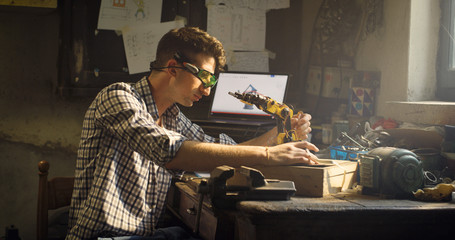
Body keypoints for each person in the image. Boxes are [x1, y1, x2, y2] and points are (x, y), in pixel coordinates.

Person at [66, 26, 319, 240]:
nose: (207, 91)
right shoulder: (118, 97)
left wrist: (279, 132)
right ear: (173, 68)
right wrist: (268, 155)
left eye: (212, 82)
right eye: (205, 79)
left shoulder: (173, 117)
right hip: (104, 236)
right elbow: (168, 151)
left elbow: (224, 152)